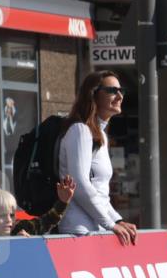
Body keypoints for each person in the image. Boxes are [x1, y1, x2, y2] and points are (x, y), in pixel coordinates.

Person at [58, 70, 138, 246]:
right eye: (112, 90)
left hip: (95, 228)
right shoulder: (80, 130)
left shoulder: (99, 133)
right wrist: (110, 223)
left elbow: (100, 192)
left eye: (121, 90)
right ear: (93, 95)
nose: (119, 96)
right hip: (78, 230)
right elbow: (79, 184)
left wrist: (116, 221)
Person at [0, 176, 76, 238]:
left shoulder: (23, 228)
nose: (8, 220)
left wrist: (63, 202)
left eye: (12, 215)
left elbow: (47, 221)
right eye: (1, 215)